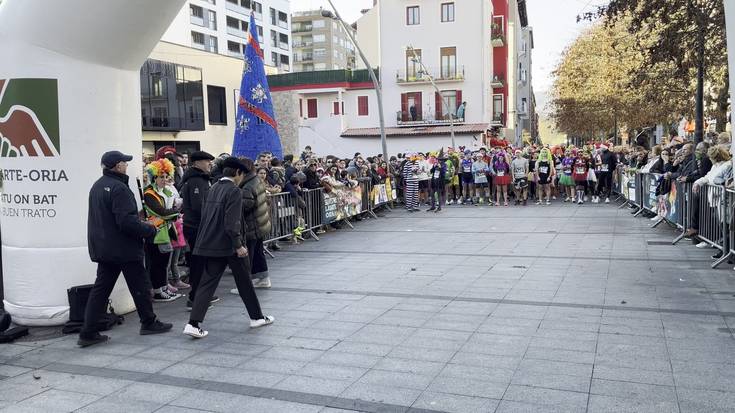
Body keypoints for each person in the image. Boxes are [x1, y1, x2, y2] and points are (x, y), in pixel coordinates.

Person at [79, 151, 172, 347]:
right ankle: (149, 322)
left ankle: (88, 331)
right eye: (124, 162)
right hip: (124, 248)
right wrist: (149, 228)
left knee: (101, 290)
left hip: (105, 247)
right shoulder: (120, 188)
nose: (127, 165)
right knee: (139, 285)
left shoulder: (97, 186)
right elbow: (125, 222)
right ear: (117, 166)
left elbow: (110, 218)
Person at [183, 157, 274, 339]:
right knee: (245, 282)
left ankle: (193, 323)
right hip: (229, 246)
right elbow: (232, 223)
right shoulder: (233, 191)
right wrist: (239, 245)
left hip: (211, 244)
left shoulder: (214, 187)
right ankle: (256, 317)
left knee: (207, 284)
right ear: (238, 173)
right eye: (242, 175)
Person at [179, 150, 218, 310]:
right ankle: (195, 298)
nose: (210, 164)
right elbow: (199, 207)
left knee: (200, 262)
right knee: (198, 263)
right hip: (197, 227)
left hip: (196, 226)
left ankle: (201, 295)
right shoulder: (196, 180)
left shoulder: (199, 179)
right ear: (197, 163)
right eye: (206, 161)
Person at [143, 159, 183, 302]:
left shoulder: (166, 191)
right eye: (161, 176)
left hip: (165, 231)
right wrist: (174, 213)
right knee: (157, 263)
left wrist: (173, 212)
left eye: (166, 176)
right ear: (154, 177)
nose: (164, 179)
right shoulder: (149, 193)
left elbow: (169, 210)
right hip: (155, 233)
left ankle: (164, 287)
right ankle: (158, 291)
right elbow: (161, 211)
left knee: (163, 262)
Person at [238, 158, 273, 289]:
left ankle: (246, 284)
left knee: (249, 256)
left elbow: (246, 205)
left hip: (252, 225)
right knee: (258, 253)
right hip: (260, 223)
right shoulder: (256, 180)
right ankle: (263, 278)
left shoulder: (248, 185)